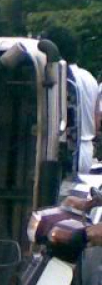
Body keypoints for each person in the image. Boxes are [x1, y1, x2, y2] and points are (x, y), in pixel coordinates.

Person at [41, 27, 101, 175]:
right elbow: (96, 120)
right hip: (87, 150)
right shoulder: (89, 78)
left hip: (64, 150)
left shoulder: (59, 77)